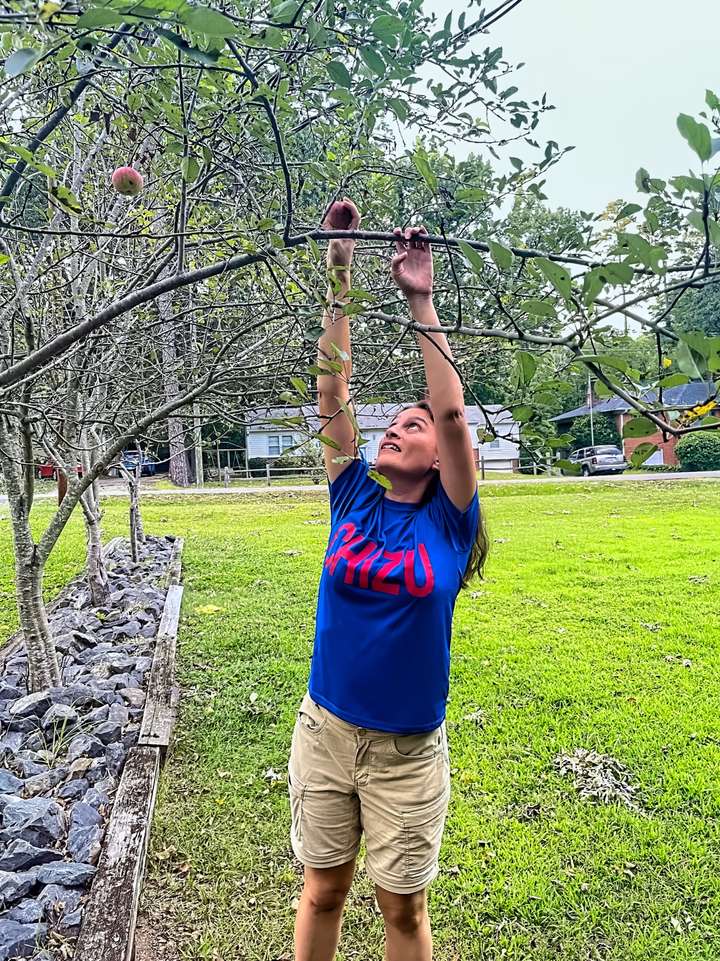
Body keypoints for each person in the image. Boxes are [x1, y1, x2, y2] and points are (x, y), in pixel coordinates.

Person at [288, 197, 488, 961]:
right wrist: (340, 275)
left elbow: (452, 413)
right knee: (322, 890)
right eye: (391, 423)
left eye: (411, 426)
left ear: (438, 455)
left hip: (407, 753)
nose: (394, 429)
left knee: (402, 912)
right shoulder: (352, 498)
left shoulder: (450, 521)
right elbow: (331, 395)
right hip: (327, 732)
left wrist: (419, 298)